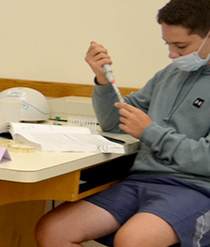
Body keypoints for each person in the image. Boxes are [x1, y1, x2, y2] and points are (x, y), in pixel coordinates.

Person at [36, 1, 210, 246]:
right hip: (141, 180)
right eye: (167, 44)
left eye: (181, 46)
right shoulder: (169, 75)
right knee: (53, 230)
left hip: (197, 188)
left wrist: (150, 132)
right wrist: (103, 80)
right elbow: (114, 124)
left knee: (133, 240)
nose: (172, 55)